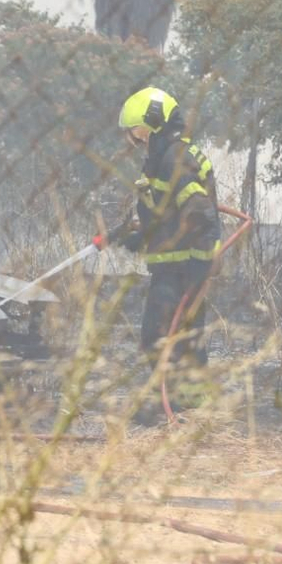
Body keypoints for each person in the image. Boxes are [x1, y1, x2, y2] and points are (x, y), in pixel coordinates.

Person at [94, 87, 221, 373]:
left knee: (163, 337)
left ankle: (179, 405)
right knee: (179, 338)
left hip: (184, 268)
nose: (134, 138)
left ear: (154, 122)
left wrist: (200, 263)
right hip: (175, 266)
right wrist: (143, 235)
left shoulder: (174, 159)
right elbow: (170, 213)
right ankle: (184, 405)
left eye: (137, 131)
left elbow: (199, 211)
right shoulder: (166, 158)